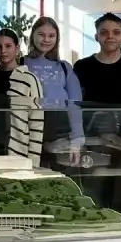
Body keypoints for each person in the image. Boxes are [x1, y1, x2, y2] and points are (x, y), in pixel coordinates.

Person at [74, 13, 121, 212]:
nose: (110, 36)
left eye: (116, 32)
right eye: (104, 32)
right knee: (94, 196)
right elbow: (77, 105)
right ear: (96, 36)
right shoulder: (83, 67)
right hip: (93, 141)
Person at [23, 17, 84, 158]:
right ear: (33, 35)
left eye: (51, 36)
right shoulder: (21, 63)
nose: (46, 39)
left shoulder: (64, 67)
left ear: (57, 38)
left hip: (59, 130)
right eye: (41, 35)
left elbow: (75, 105)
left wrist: (77, 140)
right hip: (28, 127)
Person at [0, 29, 45, 166]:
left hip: (18, 152)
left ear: (16, 49)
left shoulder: (29, 79)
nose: (3, 51)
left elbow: (37, 122)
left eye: (8, 46)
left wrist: (33, 161)